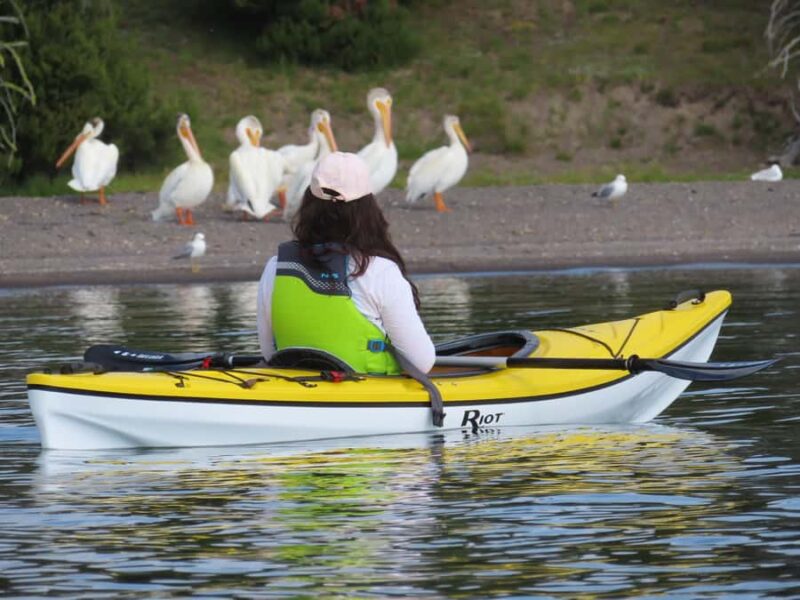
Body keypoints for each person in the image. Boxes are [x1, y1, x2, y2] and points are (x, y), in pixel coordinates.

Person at [257, 151, 436, 374]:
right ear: (367, 209)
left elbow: (268, 353)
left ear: (308, 204)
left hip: (295, 391)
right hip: (366, 396)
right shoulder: (380, 272)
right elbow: (423, 362)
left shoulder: (276, 267)